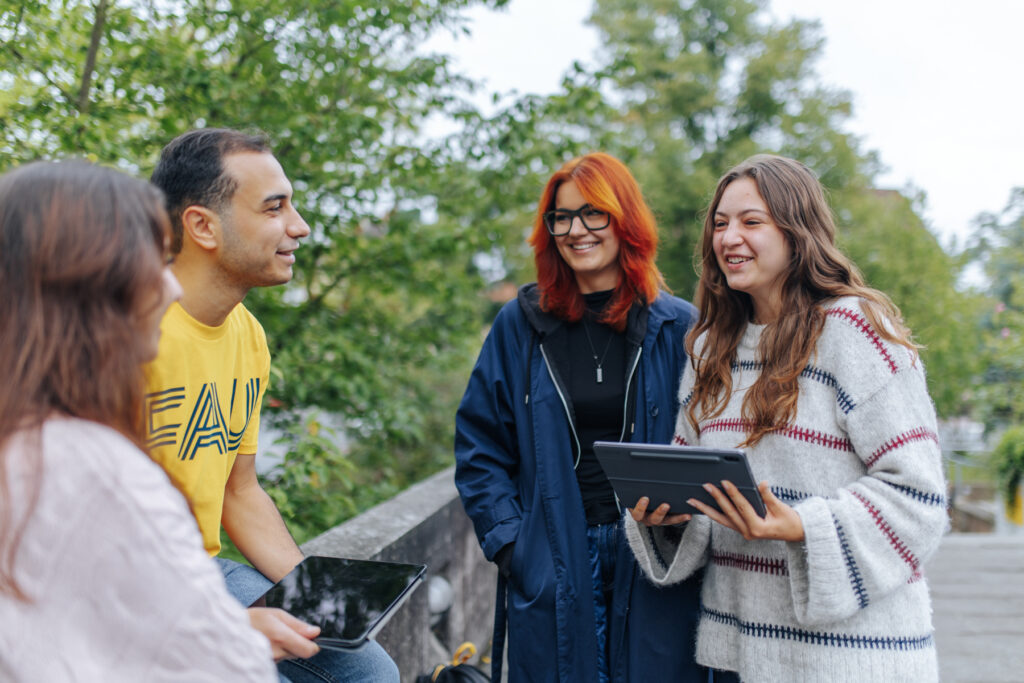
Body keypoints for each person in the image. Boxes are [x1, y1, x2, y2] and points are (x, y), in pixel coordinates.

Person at [628, 154, 948, 682]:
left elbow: (919, 497)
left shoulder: (855, 331)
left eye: (751, 221)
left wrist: (801, 526)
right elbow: (696, 493)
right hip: (742, 660)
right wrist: (667, 517)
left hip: (856, 661)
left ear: (797, 232)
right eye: (720, 223)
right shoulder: (708, 350)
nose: (729, 238)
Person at [0, 160, 280, 680]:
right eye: (153, 264)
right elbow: (233, 669)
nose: (171, 288)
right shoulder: (104, 471)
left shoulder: (25, 431)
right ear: (92, 290)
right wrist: (233, 631)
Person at [147, 128, 399, 683]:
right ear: (202, 226)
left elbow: (238, 490)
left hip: (199, 570)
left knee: (366, 670)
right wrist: (219, 627)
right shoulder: (124, 334)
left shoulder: (247, 334)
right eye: (274, 207)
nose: (299, 226)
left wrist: (320, 596)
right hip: (123, 586)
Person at [455, 153, 706, 682]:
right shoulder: (520, 325)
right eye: (562, 217)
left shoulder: (679, 326)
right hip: (555, 549)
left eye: (593, 213)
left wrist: (687, 525)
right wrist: (513, 545)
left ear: (625, 221)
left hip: (655, 552)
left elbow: (716, 438)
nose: (576, 230)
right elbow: (479, 445)